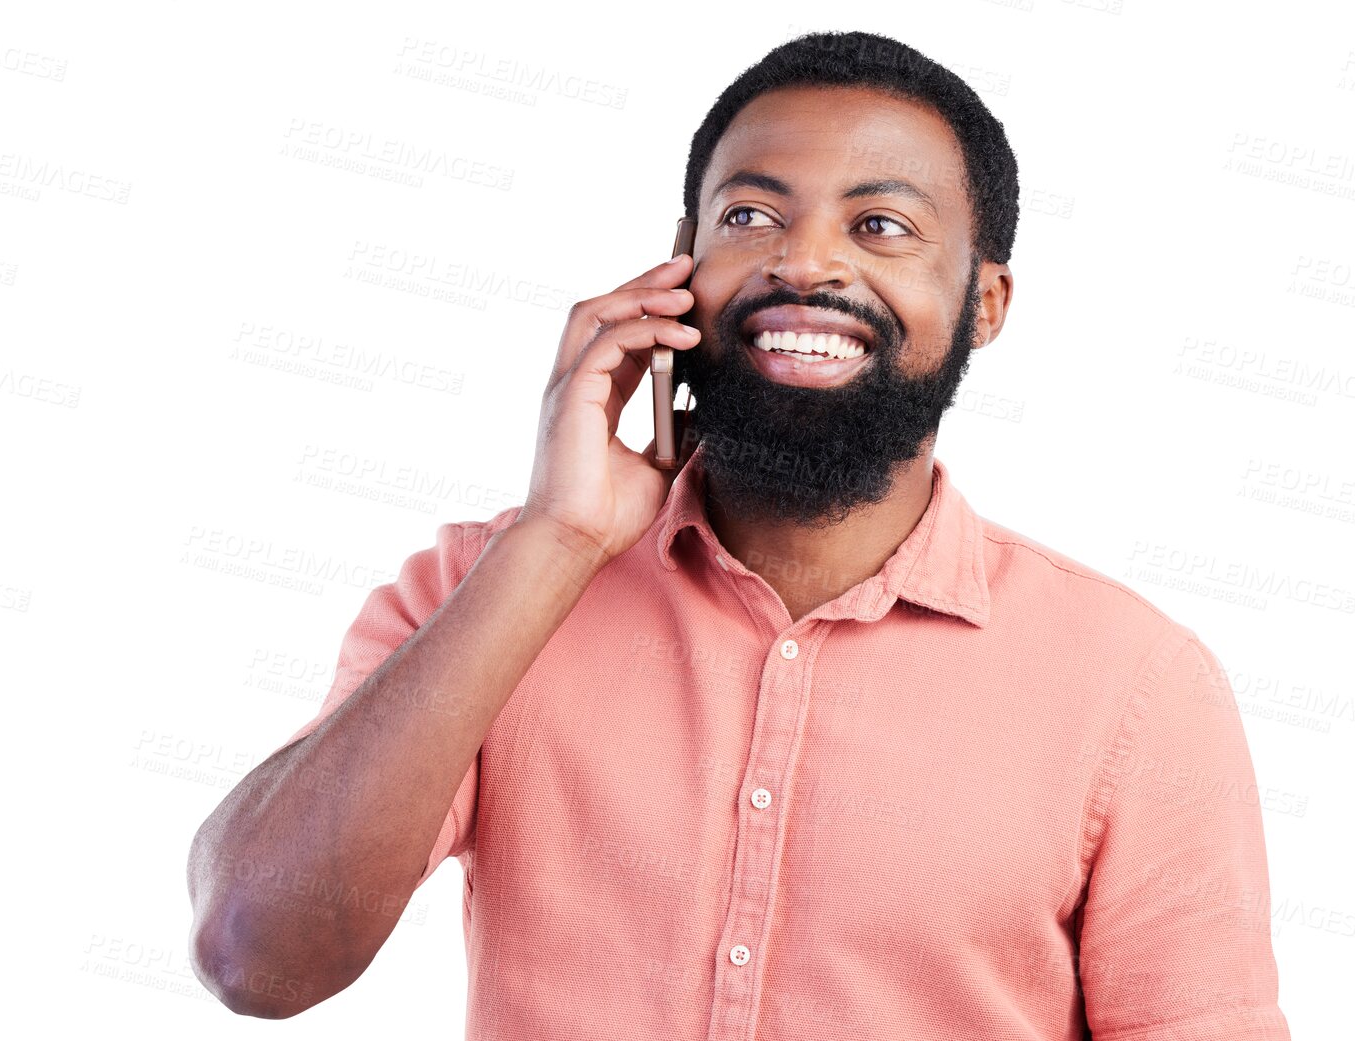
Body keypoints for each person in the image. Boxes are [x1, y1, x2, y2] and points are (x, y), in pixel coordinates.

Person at [186, 29, 1290, 1040]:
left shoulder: (1135, 686)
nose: (806, 264)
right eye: (751, 216)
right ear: (679, 263)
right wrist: (557, 541)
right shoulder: (483, 587)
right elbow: (256, 958)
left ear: (986, 302)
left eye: (881, 226)